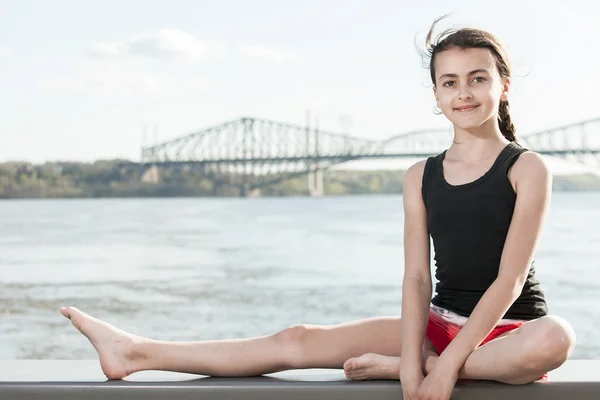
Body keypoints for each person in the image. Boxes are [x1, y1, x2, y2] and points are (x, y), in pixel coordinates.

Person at [59, 15, 576, 400]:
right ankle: (135, 352)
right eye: (450, 82)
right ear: (436, 95)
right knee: (297, 339)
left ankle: (427, 362)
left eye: (477, 78)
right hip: (437, 325)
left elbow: (509, 281)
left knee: (557, 338)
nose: (464, 93)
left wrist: (436, 370)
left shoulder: (526, 168)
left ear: (503, 84)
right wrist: (414, 359)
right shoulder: (420, 175)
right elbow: (417, 279)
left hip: (510, 331)